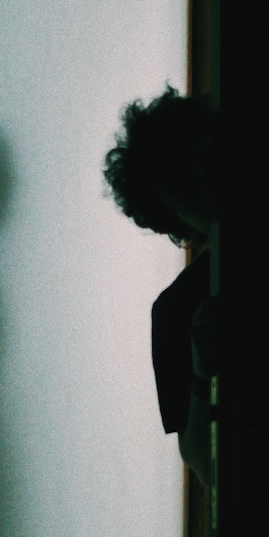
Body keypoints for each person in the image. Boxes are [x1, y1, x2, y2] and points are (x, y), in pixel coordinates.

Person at [103, 84, 220, 486]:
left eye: (195, 163)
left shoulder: (177, 307)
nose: (195, 183)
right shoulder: (176, 311)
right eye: (176, 182)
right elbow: (202, 464)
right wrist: (201, 375)